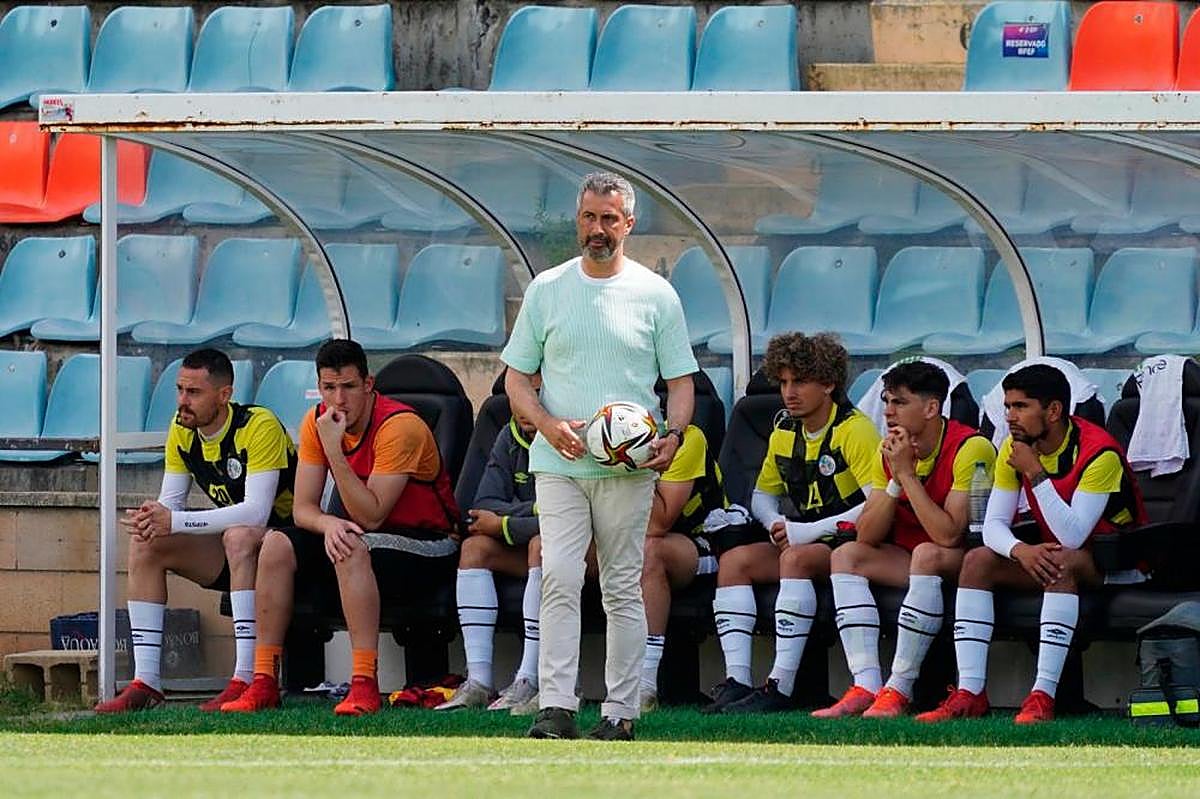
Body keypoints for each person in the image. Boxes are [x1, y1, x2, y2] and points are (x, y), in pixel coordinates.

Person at [503, 171, 698, 741]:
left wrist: (674, 435)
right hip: (558, 461)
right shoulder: (547, 289)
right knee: (559, 576)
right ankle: (555, 707)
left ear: (628, 224)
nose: (597, 229)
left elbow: (680, 383)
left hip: (627, 468)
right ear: (577, 221)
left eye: (609, 219)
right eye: (589, 217)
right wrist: (547, 424)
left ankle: (620, 712)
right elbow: (515, 378)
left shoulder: (656, 294)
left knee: (621, 585)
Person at [221, 339, 460, 716]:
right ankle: (263, 679)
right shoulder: (316, 421)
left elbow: (372, 516)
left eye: (348, 387)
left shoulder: (401, 426)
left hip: (429, 543)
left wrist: (334, 450)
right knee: (277, 543)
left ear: (368, 384)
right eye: (329, 388)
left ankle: (363, 683)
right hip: (367, 538)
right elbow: (302, 509)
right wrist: (329, 522)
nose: (338, 399)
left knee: (350, 543)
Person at [917, 364, 1146, 724]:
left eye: (1021, 407)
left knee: (1061, 560)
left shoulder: (1099, 452)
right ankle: (970, 693)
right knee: (977, 560)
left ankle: (1042, 696)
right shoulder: (1015, 447)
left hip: (1119, 562)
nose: (1010, 417)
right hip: (1059, 552)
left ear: (1053, 411)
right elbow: (993, 525)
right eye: (1008, 406)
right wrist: (1020, 551)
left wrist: (1035, 472)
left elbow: (1073, 535)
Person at [95, 349, 296, 714]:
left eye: (194, 392)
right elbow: (170, 504)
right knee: (148, 542)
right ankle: (146, 681)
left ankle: (245, 677)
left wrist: (174, 521)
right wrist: (153, 519)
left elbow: (257, 513)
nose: (182, 401)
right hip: (239, 550)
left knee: (239, 535)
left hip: (293, 545)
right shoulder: (183, 429)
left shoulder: (258, 425)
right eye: (179, 390)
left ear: (224, 395)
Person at [809, 361, 995, 719]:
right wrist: (896, 478)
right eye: (887, 401)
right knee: (847, 555)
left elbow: (950, 535)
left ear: (931, 407)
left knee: (927, 552)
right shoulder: (891, 450)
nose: (888, 411)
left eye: (900, 402)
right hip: (912, 558)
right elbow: (867, 534)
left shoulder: (971, 447)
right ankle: (866, 685)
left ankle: (899, 688)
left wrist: (907, 475)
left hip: (966, 561)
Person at [707, 332, 880, 715]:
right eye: (783, 382)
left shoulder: (855, 430)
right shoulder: (785, 430)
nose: (789, 392)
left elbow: (876, 503)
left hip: (855, 543)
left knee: (795, 558)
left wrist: (806, 532)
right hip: (803, 538)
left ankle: (780, 685)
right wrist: (774, 524)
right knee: (735, 562)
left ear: (829, 384)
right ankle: (736, 681)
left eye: (799, 381)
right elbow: (762, 495)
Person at [434, 376, 545, 714]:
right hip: (529, 543)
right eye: (517, 394)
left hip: (581, 550)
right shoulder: (508, 435)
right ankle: (479, 682)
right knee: (475, 549)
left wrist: (506, 522)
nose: (525, 404)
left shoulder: (571, 436)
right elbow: (483, 505)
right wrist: (531, 512)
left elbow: (571, 512)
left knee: (541, 544)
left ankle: (530, 678)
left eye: (536, 394)